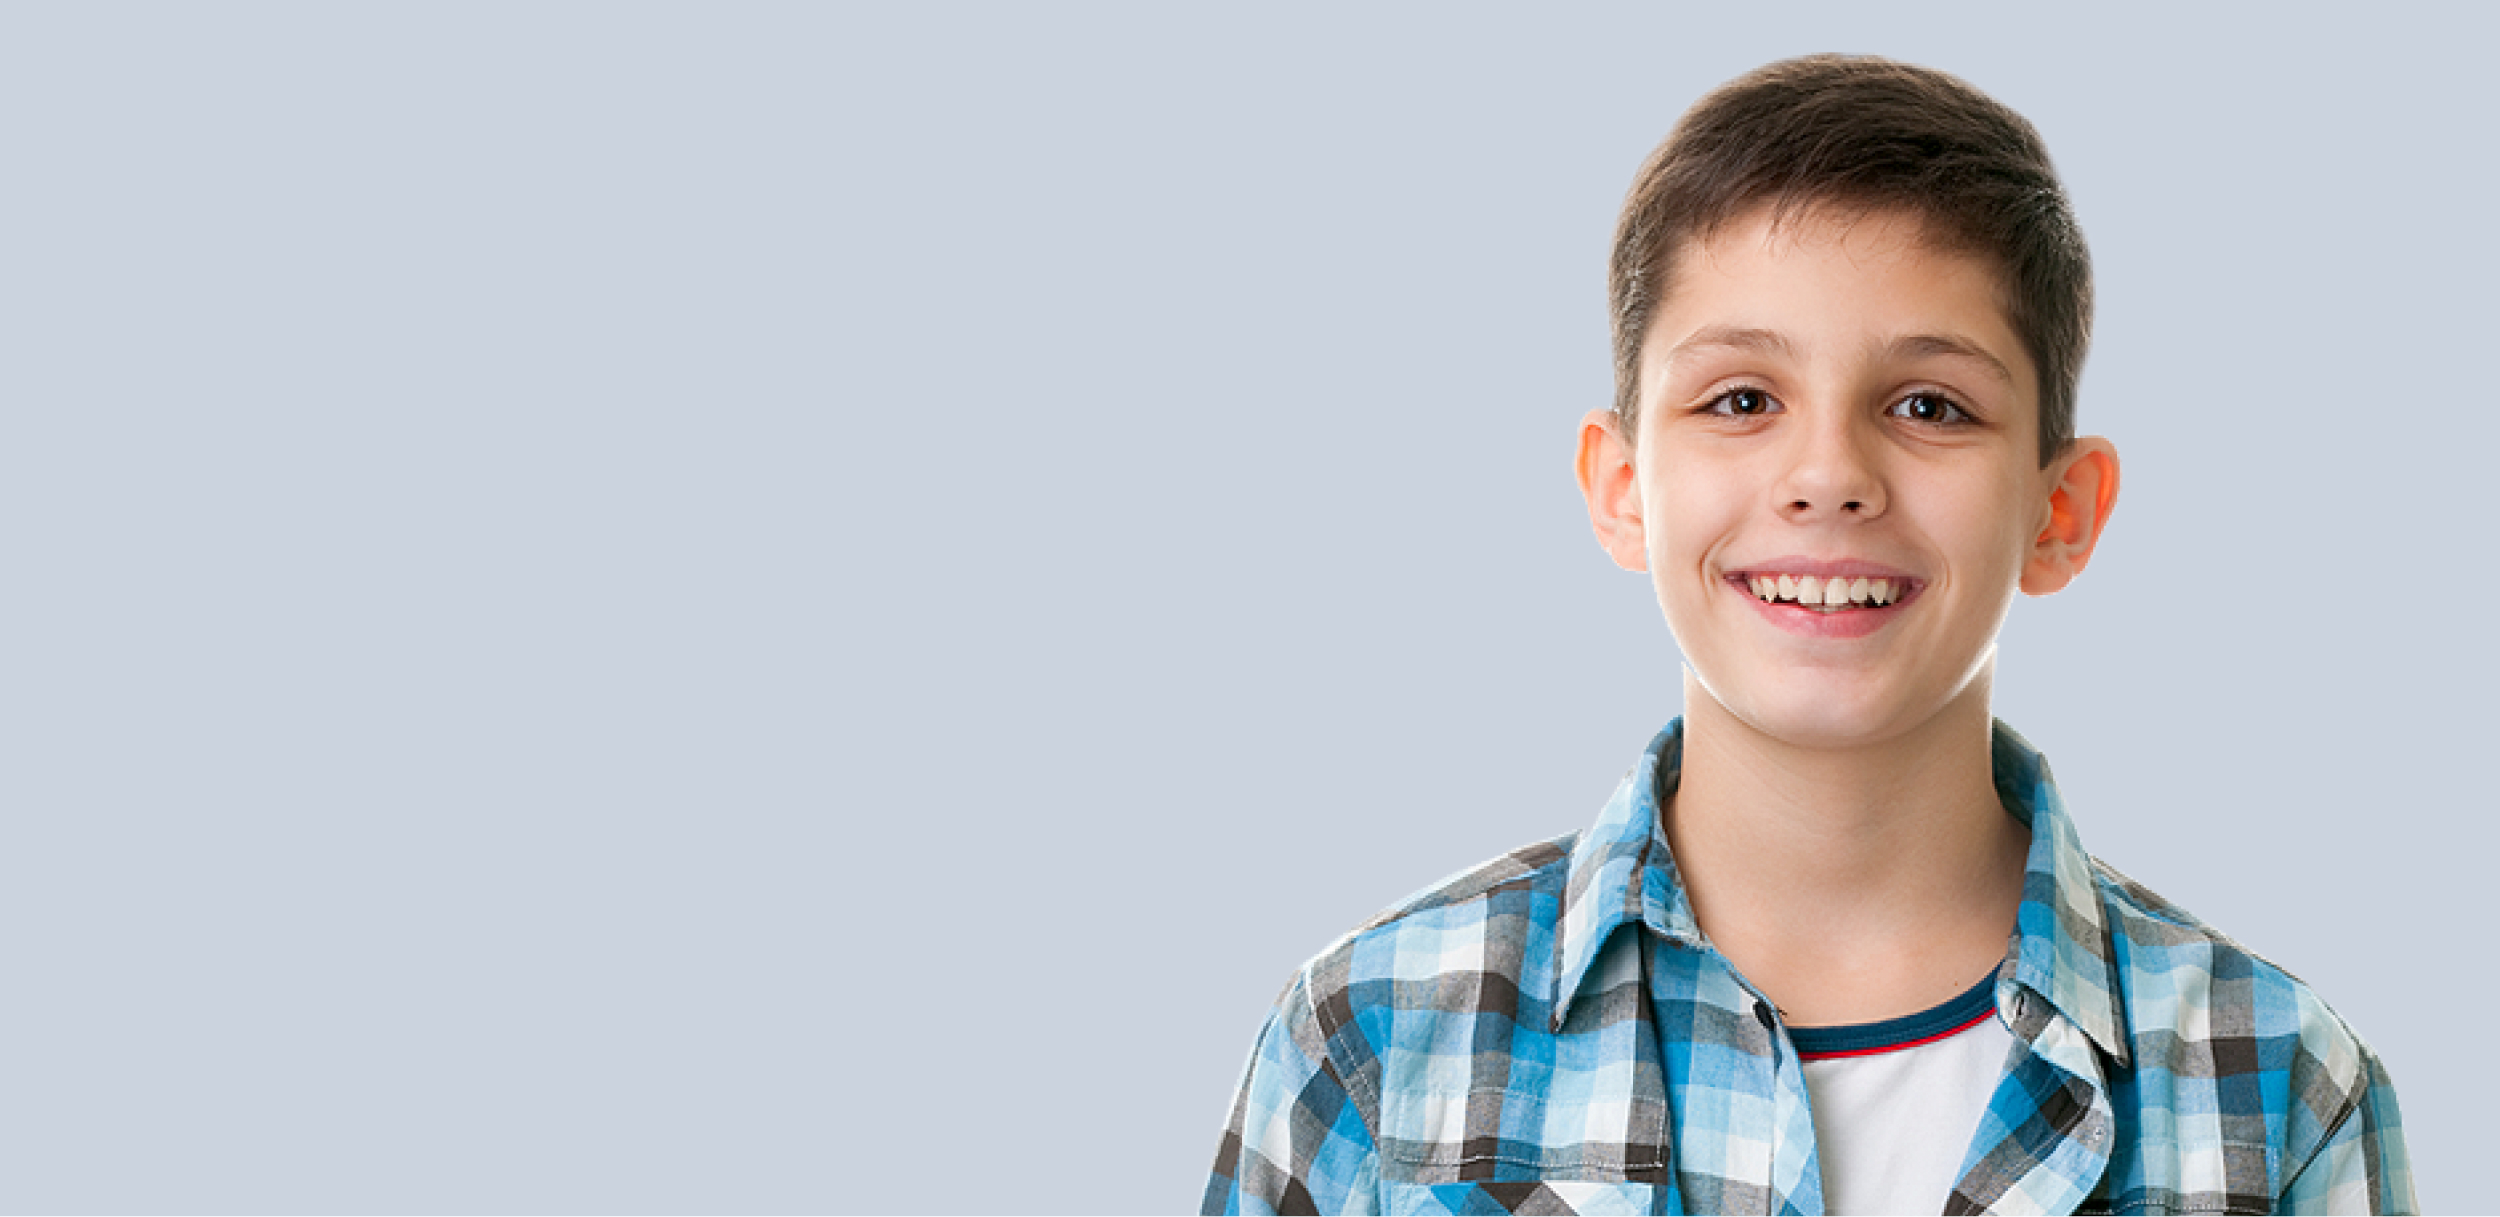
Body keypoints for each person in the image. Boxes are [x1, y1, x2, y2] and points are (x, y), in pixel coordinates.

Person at [1202, 54, 2414, 1216]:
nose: (1829, 473)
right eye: (1741, 400)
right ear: (1622, 486)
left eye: (1928, 406)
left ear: (2060, 511)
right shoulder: (1370, 1036)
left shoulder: (2278, 1084)